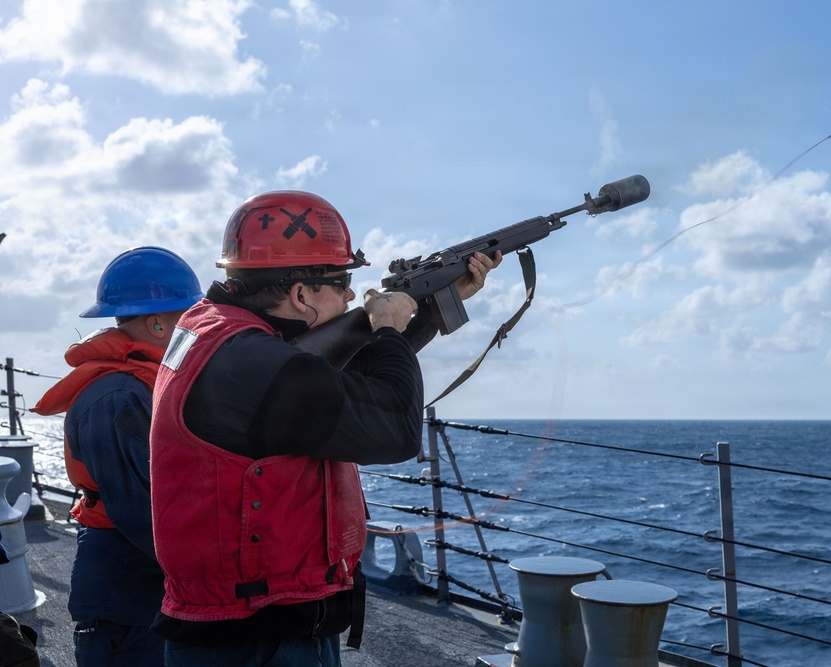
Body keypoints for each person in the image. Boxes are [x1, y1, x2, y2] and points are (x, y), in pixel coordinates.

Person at [148, 190, 499, 667]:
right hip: (260, 636)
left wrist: (435, 308)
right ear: (300, 295)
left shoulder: (216, 331)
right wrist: (389, 330)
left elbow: (341, 385)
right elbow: (394, 428)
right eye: (340, 282)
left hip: (238, 621)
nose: (353, 295)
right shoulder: (259, 364)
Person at [31, 247, 204, 667]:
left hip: (142, 578)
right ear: (158, 323)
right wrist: (210, 579)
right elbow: (140, 512)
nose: (199, 328)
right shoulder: (117, 397)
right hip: (126, 587)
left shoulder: (142, 385)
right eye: (190, 316)